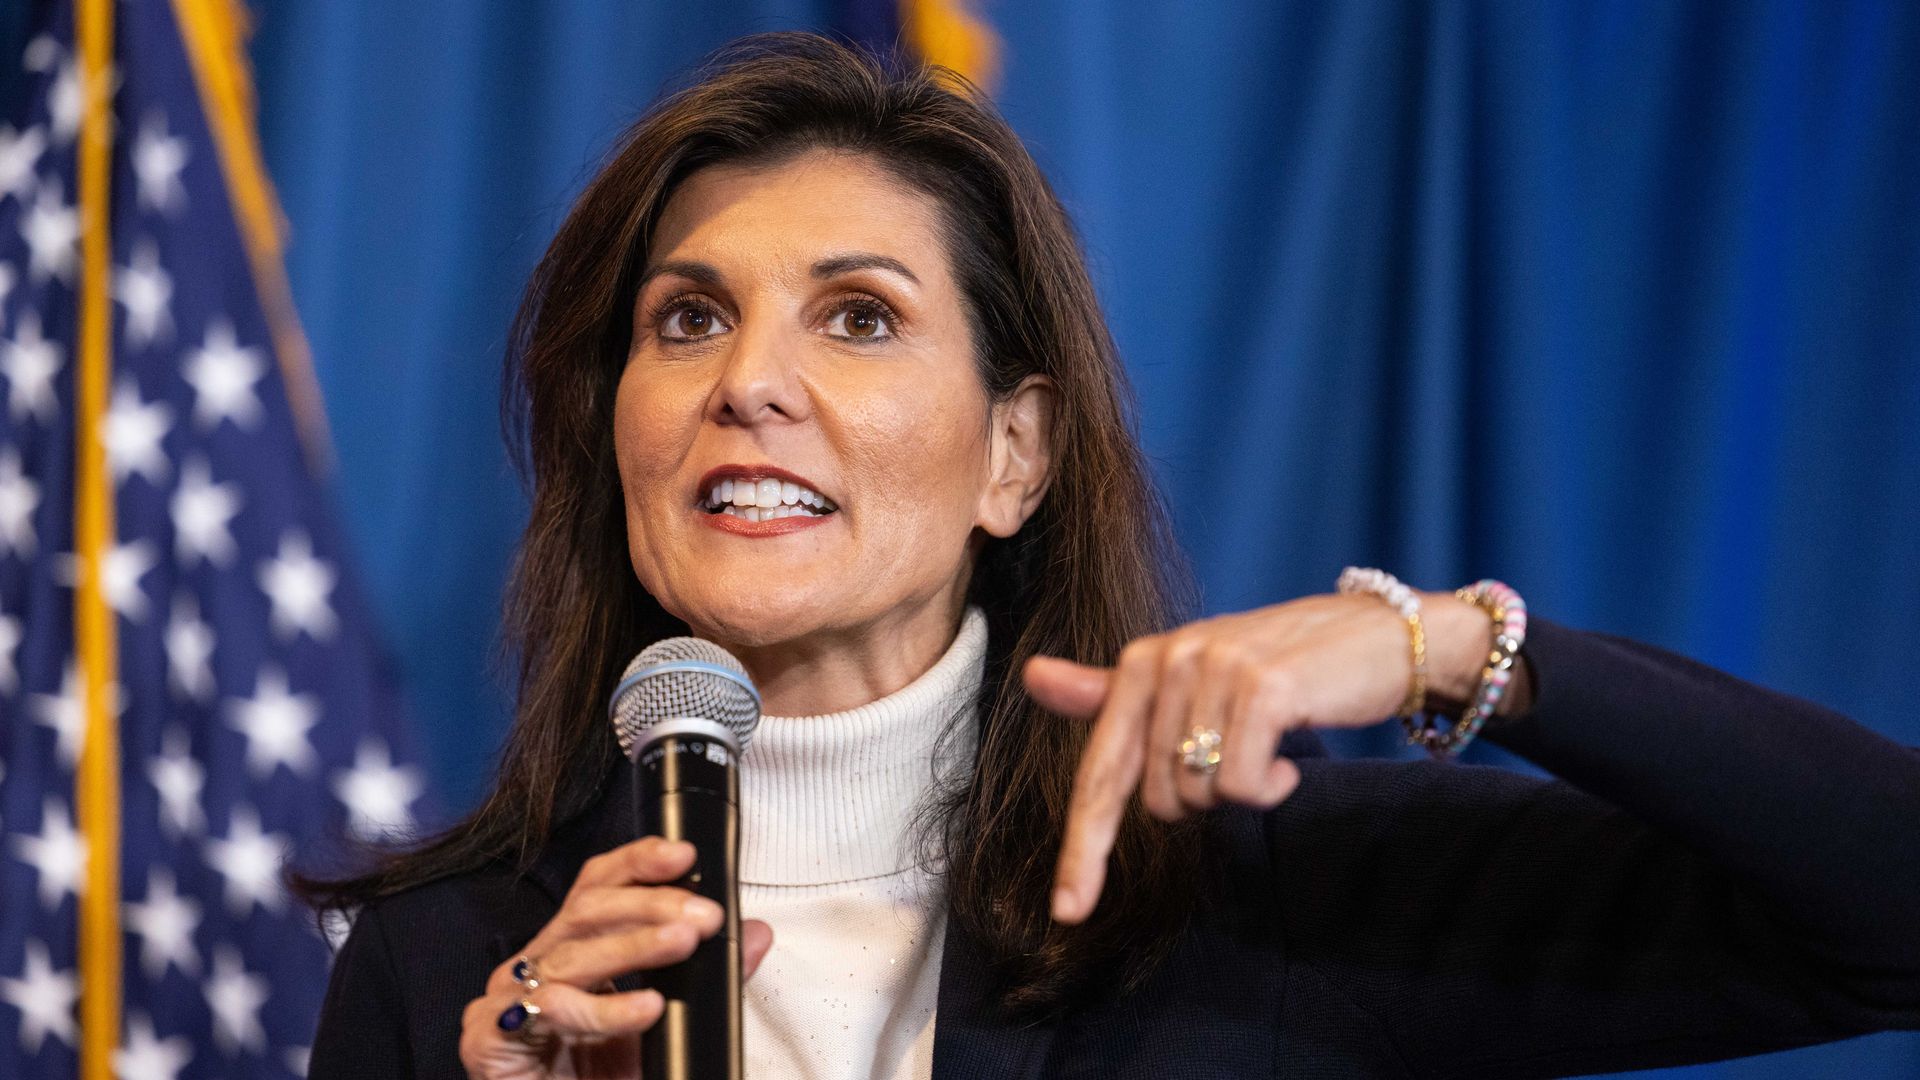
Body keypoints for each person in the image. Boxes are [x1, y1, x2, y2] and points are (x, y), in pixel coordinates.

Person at [301, 32, 1920, 1080]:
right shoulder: (455, 967)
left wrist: (1448, 648)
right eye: (688, 319)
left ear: (1019, 452)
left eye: (859, 317)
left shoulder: (1256, 898)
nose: (749, 382)